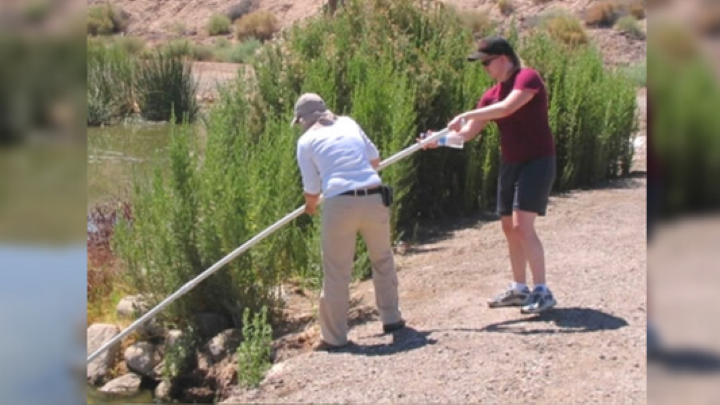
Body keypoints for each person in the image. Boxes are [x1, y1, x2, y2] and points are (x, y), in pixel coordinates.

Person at [420, 36, 557, 314]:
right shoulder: (490, 96)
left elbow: (508, 107)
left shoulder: (527, 78)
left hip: (538, 162)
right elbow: (466, 135)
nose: (484, 68)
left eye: (486, 63)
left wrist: (467, 112)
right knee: (509, 228)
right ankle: (520, 289)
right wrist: (439, 139)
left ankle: (542, 291)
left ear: (503, 58)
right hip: (511, 164)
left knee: (522, 226)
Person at [293, 93, 406, 350]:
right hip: (374, 196)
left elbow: (312, 190)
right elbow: (374, 159)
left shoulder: (306, 141)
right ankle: (392, 318)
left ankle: (334, 337)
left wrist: (310, 208)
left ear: (303, 119)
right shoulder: (348, 123)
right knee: (382, 258)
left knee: (337, 271)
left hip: (339, 204)